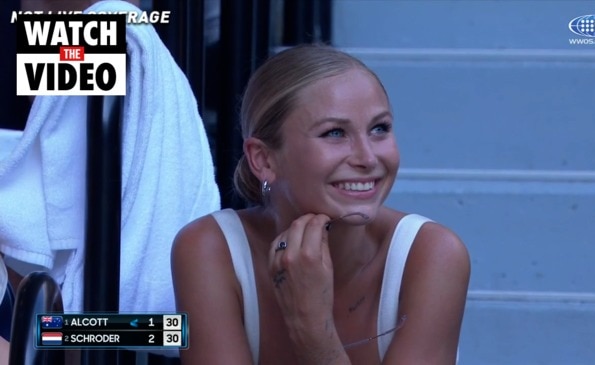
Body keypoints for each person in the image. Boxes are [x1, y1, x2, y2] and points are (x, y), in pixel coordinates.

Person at [171, 44, 470, 364]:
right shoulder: (208, 249)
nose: (368, 158)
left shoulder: (432, 255)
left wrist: (313, 330)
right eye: (335, 133)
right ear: (264, 159)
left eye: (379, 128)